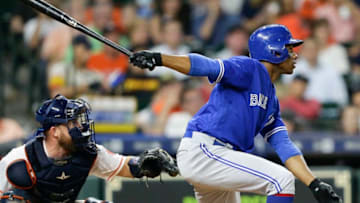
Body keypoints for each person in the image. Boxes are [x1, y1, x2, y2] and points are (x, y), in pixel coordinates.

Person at [129, 24, 342, 203]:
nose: (295, 54)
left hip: (218, 158)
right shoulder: (249, 68)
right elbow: (208, 66)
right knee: (281, 180)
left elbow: (284, 145)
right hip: (205, 150)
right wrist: (159, 58)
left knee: (281, 178)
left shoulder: (271, 99)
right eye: (289, 48)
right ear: (274, 51)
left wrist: (314, 184)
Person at [0, 94, 177, 202]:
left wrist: (146, 164)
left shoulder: (88, 152)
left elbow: (126, 166)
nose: (80, 127)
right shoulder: (20, 158)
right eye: (72, 123)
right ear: (54, 131)